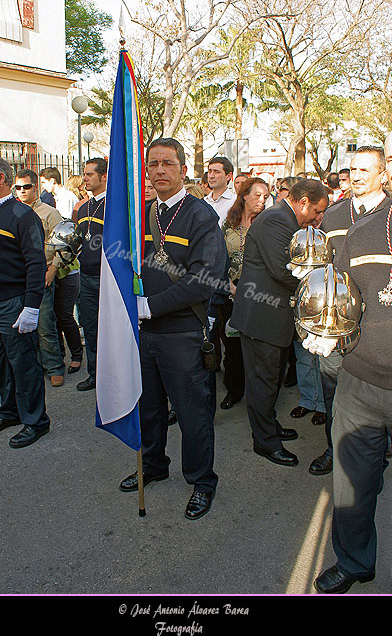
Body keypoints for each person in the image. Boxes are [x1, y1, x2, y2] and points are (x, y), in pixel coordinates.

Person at [314, 126, 392, 595]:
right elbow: (344, 296)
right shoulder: (364, 227)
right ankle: (352, 561)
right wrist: (328, 331)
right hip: (359, 386)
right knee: (351, 485)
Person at [120, 138, 226, 521]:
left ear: (183, 169)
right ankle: (153, 465)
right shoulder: (142, 215)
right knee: (148, 408)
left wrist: (152, 305)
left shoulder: (200, 215)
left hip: (182, 332)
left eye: (168, 163)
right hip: (144, 334)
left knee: (192, 414)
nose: (159, 170)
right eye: (153, 164)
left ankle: (201, 481)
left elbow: (205, 278)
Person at [230, 178, 329, 467]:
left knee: (270, 379)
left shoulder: (283, 219)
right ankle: (265, 442)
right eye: (318, 211)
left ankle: (269, 427)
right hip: (263, 317)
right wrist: (320, 282)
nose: (319, 218)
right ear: (303, 203)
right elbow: (284, 271)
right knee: (263, 382)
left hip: (272, 317)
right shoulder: (277, 220)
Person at [308, 145, 392, 477]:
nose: (356, 176)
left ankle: (382, 452)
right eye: (353, 170)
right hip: (336, 323)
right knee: (334, 389)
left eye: (364, 170)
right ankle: (334, 448)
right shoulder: (334, 213)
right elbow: (323, 265)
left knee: (377, 397)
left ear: (383, 175)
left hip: (380, 326)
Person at [0, 157, 50, 449]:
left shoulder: (21, 214)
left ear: (1, 178)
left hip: (12, 303)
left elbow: (35, 262)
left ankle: (35, 421)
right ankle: (9, 411)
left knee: (23, 363)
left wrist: (31, 306)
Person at [219, 178, 269, 409]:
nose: (261, 200)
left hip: (259, 293)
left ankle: (259, 397)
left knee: (258, 348)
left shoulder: (268, 224)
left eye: (265, 196)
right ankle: (234, 390)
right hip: (231, 293)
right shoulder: (228, 224)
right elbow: (218, 257)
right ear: (244, 195)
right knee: (232, 348)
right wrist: (229, 284)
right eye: (257, 195)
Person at [14, 169, 66, 387]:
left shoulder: (49, 212)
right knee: (20, 326)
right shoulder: (12, 212)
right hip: (17, 275)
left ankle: (54, 367)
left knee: (45, 323)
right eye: (18, 187)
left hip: (42, 272)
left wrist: (52, 269)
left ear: (35, 187)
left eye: (26, 186)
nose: (22, 191)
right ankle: (32, 366)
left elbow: (63, 243)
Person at [75, 157, 108, 391]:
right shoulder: (83, 206)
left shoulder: (115, 205)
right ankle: (95, 373)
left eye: (89, 174)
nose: (84, 178)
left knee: (111, 329)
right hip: (85, 276)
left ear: (104, 176)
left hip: (107, 278)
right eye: (84, 174)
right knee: (90, 327)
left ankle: (113, 375)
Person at [204, 156, 236, 226]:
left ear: (228, 176)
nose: (211, 176)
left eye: (216, 172)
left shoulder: (236, 202)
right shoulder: (203, 202)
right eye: (210, 171)